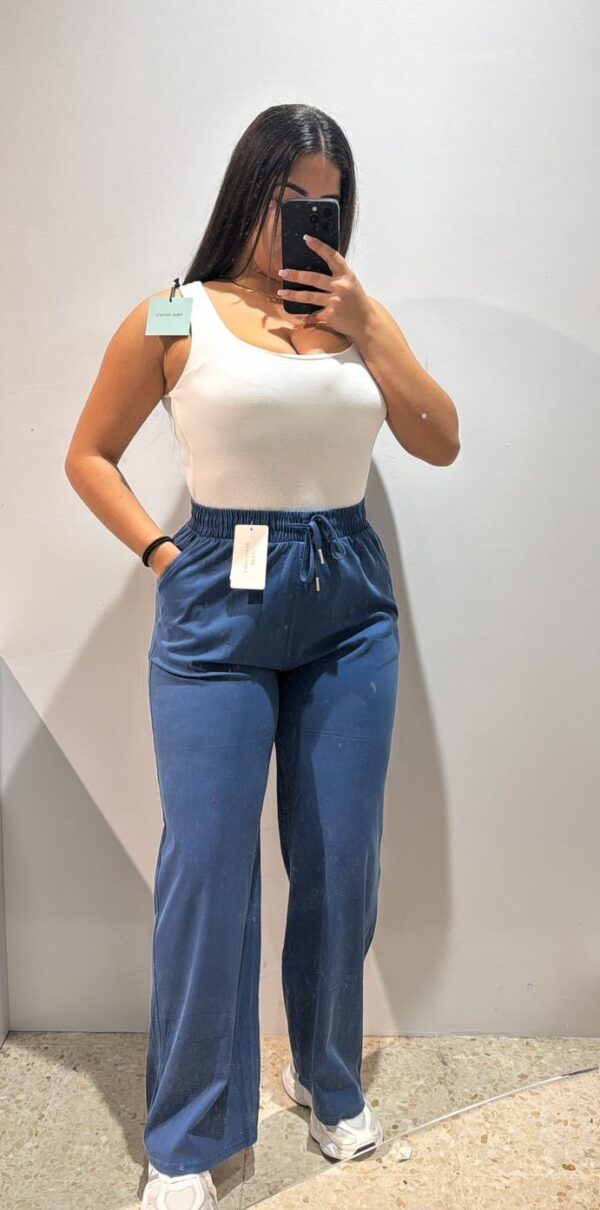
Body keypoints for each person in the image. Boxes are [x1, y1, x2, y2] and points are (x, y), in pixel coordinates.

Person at [65, 102, 460, 1210]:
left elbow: (440, 439)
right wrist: (161, 552)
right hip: (213, 607)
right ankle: (189, 1134)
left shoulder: (358, 317)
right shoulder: (174, 311)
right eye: (293, 198)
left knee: (341, 854)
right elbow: (89, 453)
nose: (309, 219)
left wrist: (368, 324)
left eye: (329, 202)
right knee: (207, 863)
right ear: (250, 191)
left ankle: (328, 1079)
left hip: (347, 606)